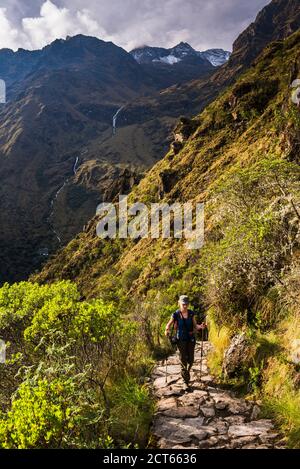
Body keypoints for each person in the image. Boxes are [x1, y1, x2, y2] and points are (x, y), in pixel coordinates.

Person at [165, 295, 206, 391]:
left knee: (191, 360)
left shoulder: (191, 314)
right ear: (179, 303)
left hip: (191, 339)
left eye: (186, 304)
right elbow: (168, 324)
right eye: (183, 303)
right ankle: (185, 381)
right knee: (183, 360)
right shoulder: (175, 314)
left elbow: (195, 326)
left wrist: (201, 327)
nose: (185, 305)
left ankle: (186, 376)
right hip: (181, 340)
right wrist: (166, 329)